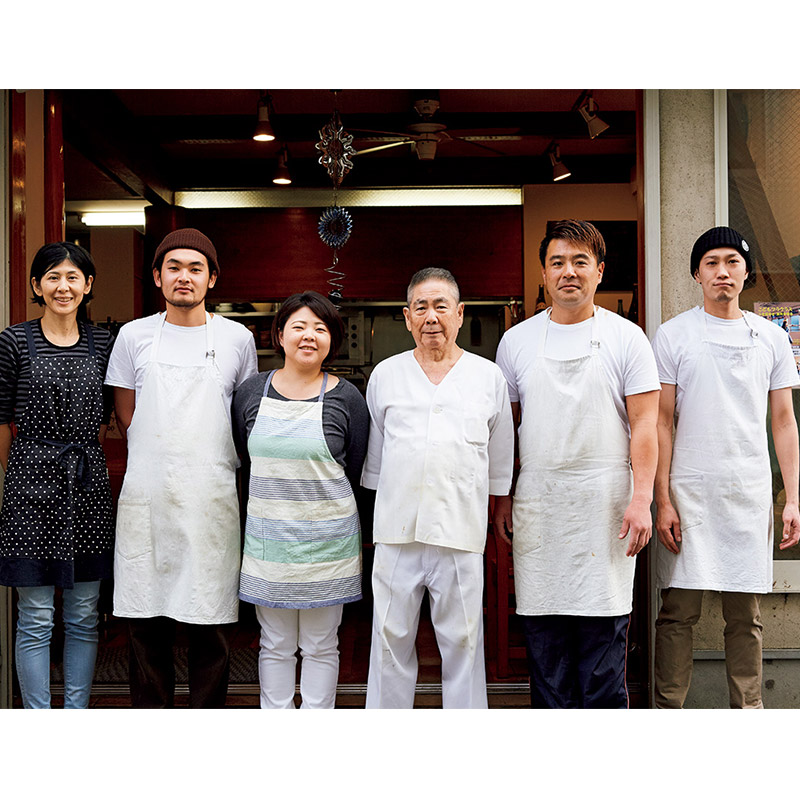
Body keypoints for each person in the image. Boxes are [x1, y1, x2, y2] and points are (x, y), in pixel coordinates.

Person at [494, 219, 660, 708]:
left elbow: (646, 426)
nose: (569, 272)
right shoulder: (516, 342)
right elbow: (507, 431)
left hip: (606, 505)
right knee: (546, 652)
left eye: (580, 262)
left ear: (599, 271)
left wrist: (642, 499)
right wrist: (503, 496)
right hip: (540, 506)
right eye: (557, 262)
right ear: (543, 274)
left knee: (604, 653)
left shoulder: (628, 338)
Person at [105, 228, 257, 708]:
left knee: (209, 624)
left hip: (210, 495)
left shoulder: (237, 338)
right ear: (157, 277)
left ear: (212, 278)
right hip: (148, 496)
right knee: (145, 624)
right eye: (174, 267)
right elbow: (127, 414)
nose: (184, 277)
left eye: (196, 268)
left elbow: (243, 412)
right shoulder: (134, 336)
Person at [652, 226, 800, 709]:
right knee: (677, 613)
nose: (722, 271)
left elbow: (783, 422)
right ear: (697, 273)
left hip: (748, 491)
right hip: (688, 491)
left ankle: (749, 714)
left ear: (745, 272)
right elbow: (662, 422)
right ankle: (668, 710)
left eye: (732, 262)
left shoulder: (771, 338)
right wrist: (662, 498)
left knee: (747, 615)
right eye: (711, 262)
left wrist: (792, 497)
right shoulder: (674, 334)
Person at [362, 267, 513, 709]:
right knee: (389, 641)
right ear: (406, 317)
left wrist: (498, 509)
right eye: (421, 307)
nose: (431, 317)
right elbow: (375, 460)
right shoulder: (385, 376)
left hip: (459, 531)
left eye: (441, 305)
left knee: (464, 642)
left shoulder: (488, 378)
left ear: (460, 314)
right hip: (395, 532)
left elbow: (500, 457)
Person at [233, 291, 368, 709]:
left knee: (321, 644)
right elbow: (242, 459)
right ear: (279, 334)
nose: (309, 336)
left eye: (321, 328)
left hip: (328, 543)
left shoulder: (348, 398)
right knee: (273, 643)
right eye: (299, 326)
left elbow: (359, 468)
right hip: (268, 540)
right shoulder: (250, 392)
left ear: (333, 340)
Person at [0, 242, 115, 708]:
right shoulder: (13, 340)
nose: (62, 286)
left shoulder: (105, 342)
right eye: (52, 277)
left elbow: (113, 415)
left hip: (88, 487)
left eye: (73, 277)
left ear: (88, 286)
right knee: (35, 615)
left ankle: (76, 714)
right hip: (30, 485)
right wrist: (24, 476)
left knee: (85, 613)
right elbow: (1, 418)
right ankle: (38, 720)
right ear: (36, 286)